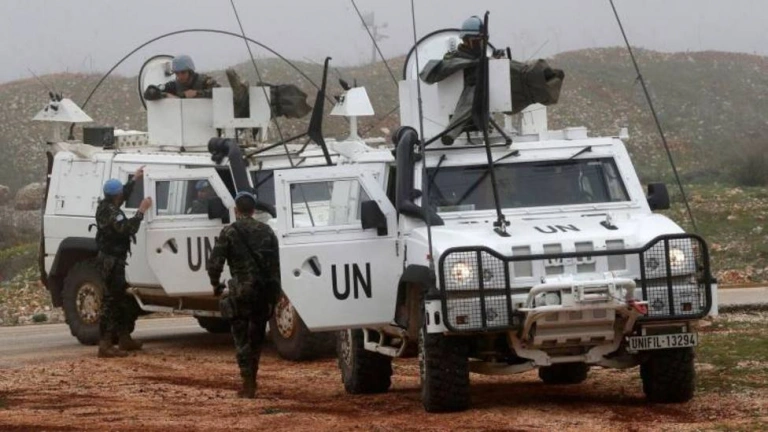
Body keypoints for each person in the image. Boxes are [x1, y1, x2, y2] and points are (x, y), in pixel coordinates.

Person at [207, 191, 280, 399]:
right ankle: (253, 376)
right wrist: (274, 293)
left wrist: (216, 285)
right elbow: (276, 265)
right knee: (256, 337)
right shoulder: (267, 231)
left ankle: (247, 381)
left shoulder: (229, 232)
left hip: (240, 292)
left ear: (236, 210)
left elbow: (214, 264)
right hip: (262, 292)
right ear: (254, 210)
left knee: (241, 338)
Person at [95, 168, 153, 358]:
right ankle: (105, 344)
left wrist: (134, 180)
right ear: (116, 195)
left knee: (122, 300)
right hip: (111, 262)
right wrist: (141, 211)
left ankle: (124, 337)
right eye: (121, 192)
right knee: (111, 302)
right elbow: (127, 229)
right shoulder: (112, 213)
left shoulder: (106, 206)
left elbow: (123, 195)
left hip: (112, 260)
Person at [144, 55, 220, 100]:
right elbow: (150, 93)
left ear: (190, 72)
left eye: (183, 72)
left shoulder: (203, 80)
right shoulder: (173, 85)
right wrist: (165, 95)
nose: (180, 76)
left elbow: (219, 92)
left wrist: (197, 93)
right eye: (177, 73)